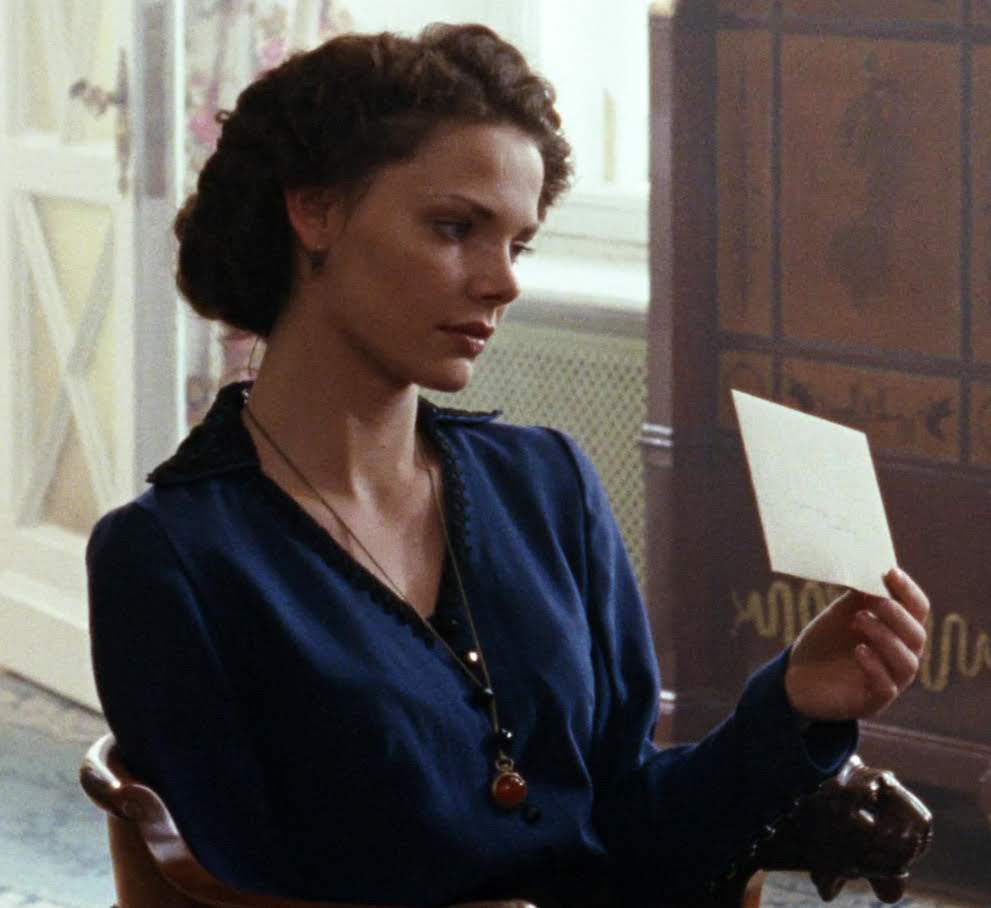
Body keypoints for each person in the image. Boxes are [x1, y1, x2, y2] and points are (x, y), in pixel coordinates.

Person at [86, 23, 930, 908]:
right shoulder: (170, 557)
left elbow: (633, 827)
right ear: (316, 211)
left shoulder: (548, 485)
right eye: (456, 228)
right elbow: (238, 897)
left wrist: (794, 702)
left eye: (518, 245)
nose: (504, 281)